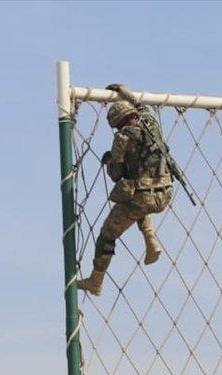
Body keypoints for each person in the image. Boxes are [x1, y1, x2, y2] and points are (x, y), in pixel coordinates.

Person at [76, 84, 175, 296]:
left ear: (118, 122)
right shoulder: (152, 125)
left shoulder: (122, 138)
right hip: (164, 192)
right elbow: (142, 106)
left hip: (143, 197)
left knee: (107, 234)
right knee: (137, 200)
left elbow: (116, 174)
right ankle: (150, 240)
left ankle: (96, 280)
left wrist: (109, 160)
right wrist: (124, 91)